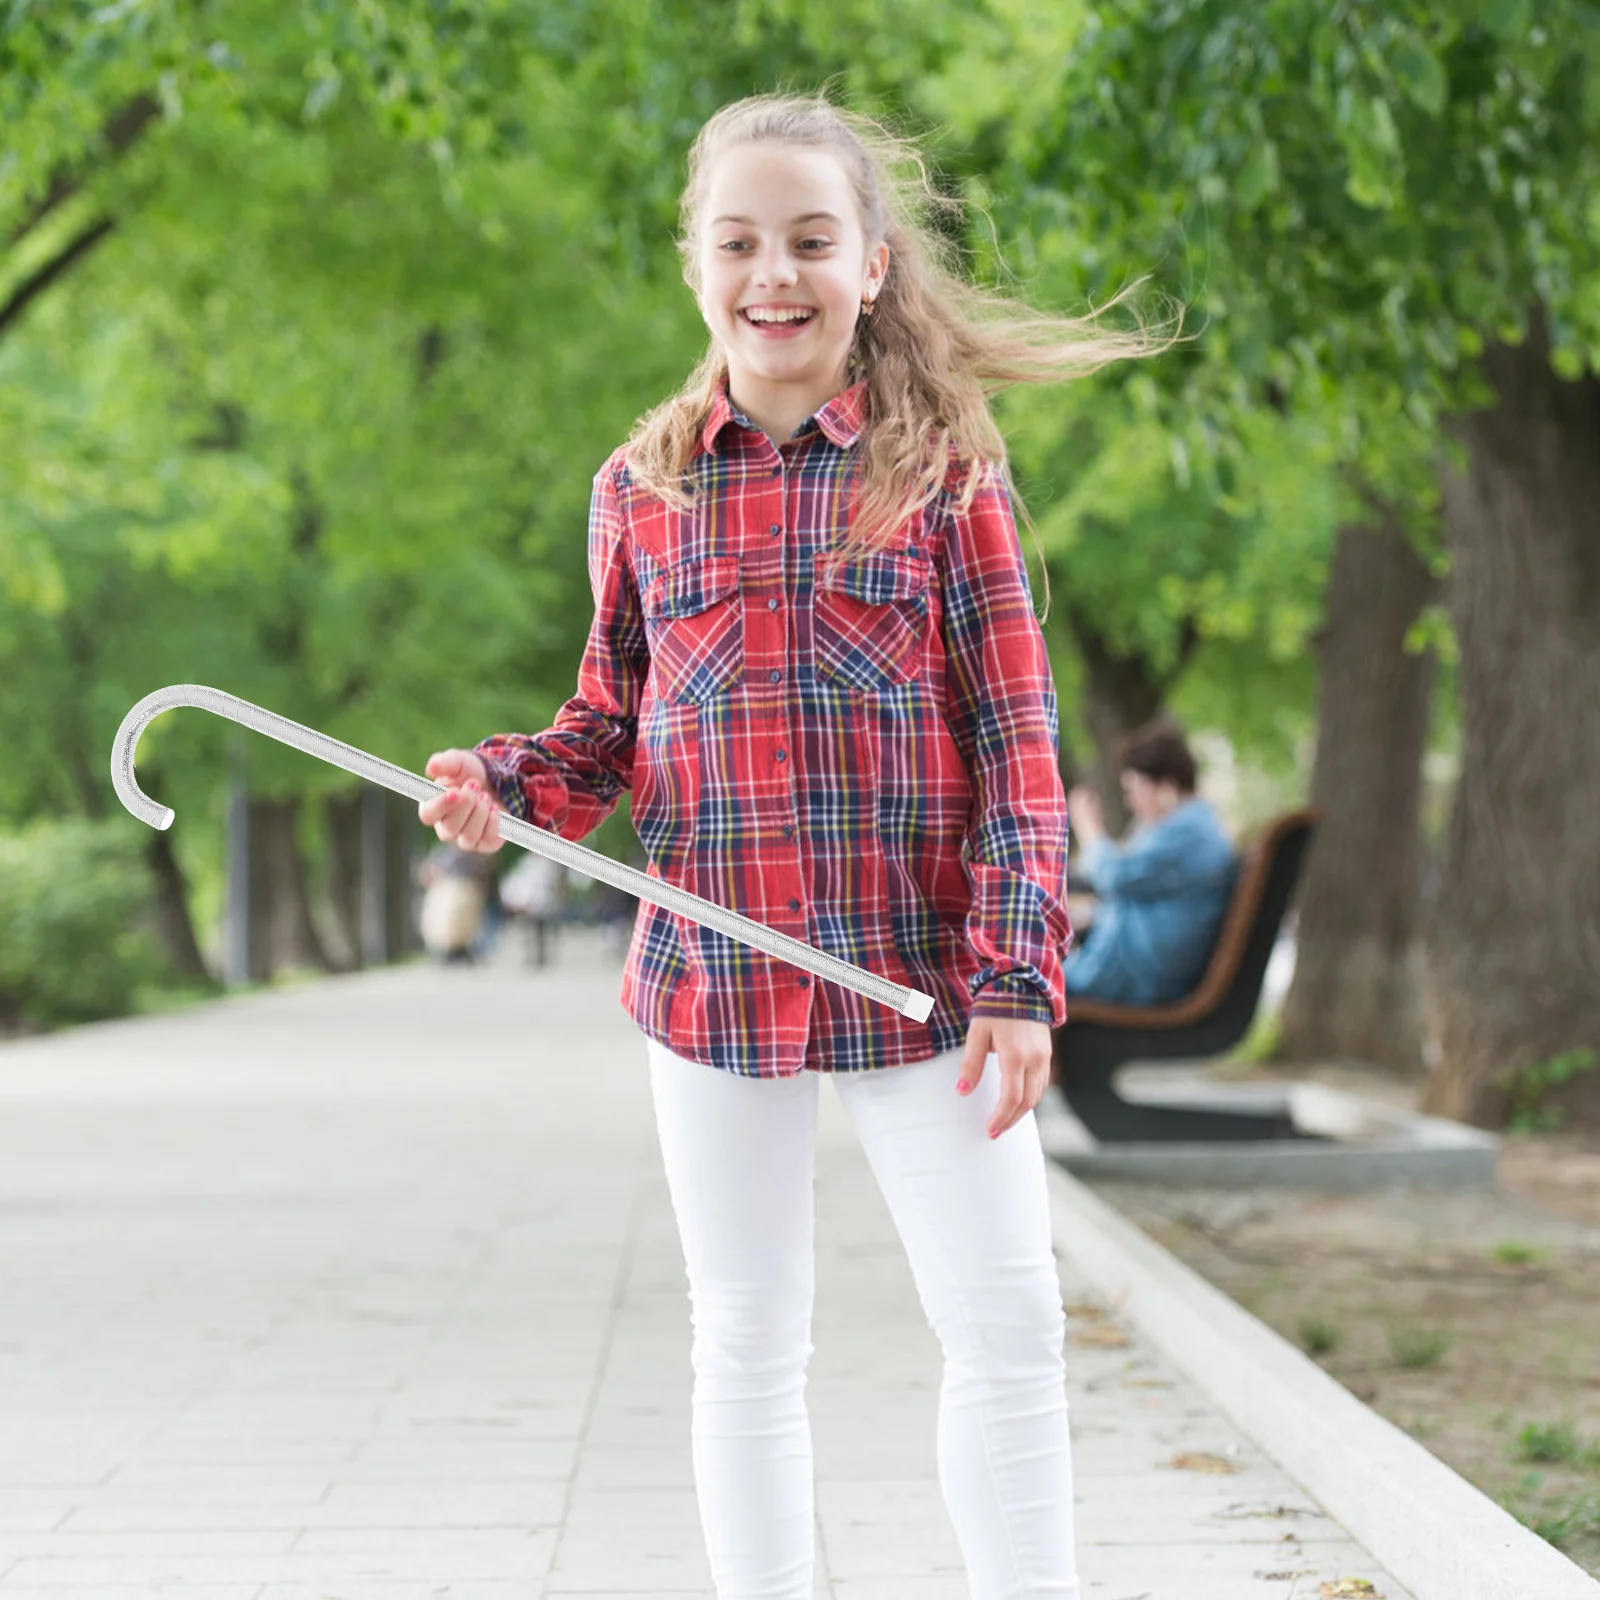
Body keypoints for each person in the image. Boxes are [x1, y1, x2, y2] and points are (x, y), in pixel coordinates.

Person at [417, 91, 1173, 1600]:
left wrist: (1019, 978)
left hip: (929, 988)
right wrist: (502, 788)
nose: (778, 272)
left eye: (812, 241)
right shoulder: (640, 492)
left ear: (872, 266)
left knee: (1007, 1327)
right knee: (747, 1341)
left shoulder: (951, 479)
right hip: (714, 978)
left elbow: (1022, 754)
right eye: (742, 240)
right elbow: (603, 737)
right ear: (695, 263)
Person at [1064, 723, 1239, 1006]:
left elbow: (1114, 875)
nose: (1130, 803)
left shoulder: (1188, 829)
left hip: (1142, 976)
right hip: (1143, 970)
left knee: (1029, 983)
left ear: (1166, 788)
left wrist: (1087, 828)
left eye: (1133, 790)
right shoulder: (1191, 826)